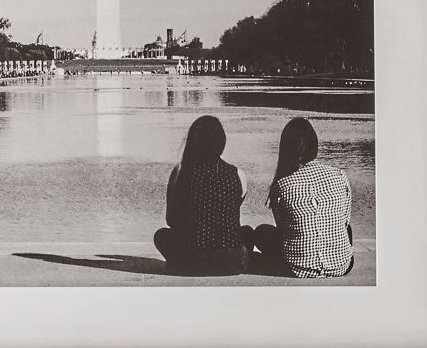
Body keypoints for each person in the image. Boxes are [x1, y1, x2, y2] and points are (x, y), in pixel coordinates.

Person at [249, 117, 356, 278]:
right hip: (342, 266)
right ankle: (335, 256)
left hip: (297, 268)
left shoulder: (282, 183)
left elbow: (283, 230)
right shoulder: (339, 175)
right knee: (345, 227)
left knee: (262, 232)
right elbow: (345, 221)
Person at [151, 115, 247, 276]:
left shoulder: (181, 171)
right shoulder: (238, 174)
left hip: (192, 257)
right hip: (228, 260)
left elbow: (171, 220)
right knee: (246, 232)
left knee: (161, 235)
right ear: (222, 142)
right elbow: (232, 212)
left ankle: (183, 263)